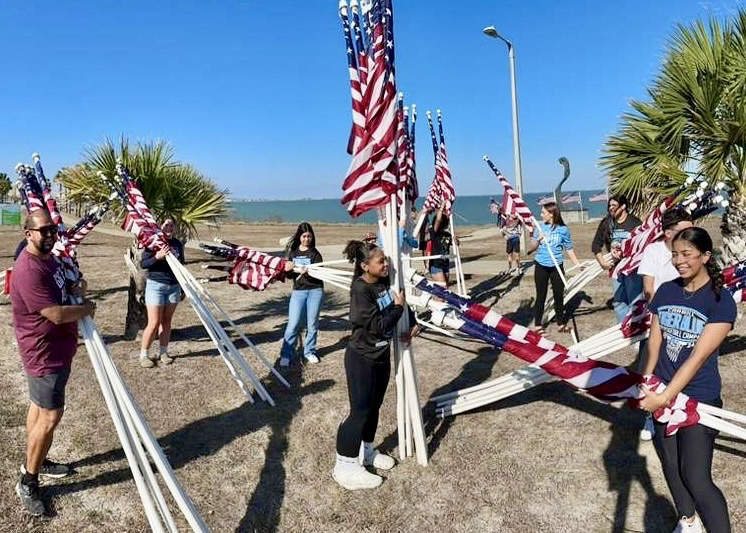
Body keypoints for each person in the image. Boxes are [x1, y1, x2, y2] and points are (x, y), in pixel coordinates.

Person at [640, 227, 736, 533]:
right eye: (674, 254)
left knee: (695, 476)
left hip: (698, 399)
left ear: (706, 256)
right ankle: (688, 521)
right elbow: (654, 343)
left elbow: (696, 359)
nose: (679, 261)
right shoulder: (666, 290)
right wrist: (645, 381)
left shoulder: (720, 301)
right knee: (671, 465)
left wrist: (665, 397)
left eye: (687, 254)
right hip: (661, 393)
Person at [10, 211, 96, 516]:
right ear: (28, 233)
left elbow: (65, 290)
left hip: (58, 348)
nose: (49, 235)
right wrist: (87, 308)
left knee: (38, 407)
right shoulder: (29, 269)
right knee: (50, 415)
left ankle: (37, 458)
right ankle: (28, 481)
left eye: (53, 230)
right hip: (43, 352)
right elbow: (55, 314)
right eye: (43, 230)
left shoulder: (50, 260)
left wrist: (76, 289)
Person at [332, 239, 419, 490]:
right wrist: (399, 310)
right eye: (380, 261)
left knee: (375, 408)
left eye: (385, 260)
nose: (385, 264)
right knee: (359, 412)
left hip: (381, 357)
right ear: (364, 266)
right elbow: (380, 327)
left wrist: (412, 321)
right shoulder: (360, 291)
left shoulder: (382, 284)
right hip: (362, 359)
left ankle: (367, 452)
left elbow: (398, 300)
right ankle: (345, 466)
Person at [527, 202, 582, 334]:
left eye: (543, 212)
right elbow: (532, 247)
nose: (541, 215)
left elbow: (569, 249)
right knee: (541, 295)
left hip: (557, 266)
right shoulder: (540, 228)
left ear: (551, 214)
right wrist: (538, 240)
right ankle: (538, 326)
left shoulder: (563, 230)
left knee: (559, 296)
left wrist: (578, 265)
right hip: (541, 265)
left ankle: (560, 324)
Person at [138, 218, 185, 368]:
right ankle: (144, 355)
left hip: (174, 287)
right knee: (153, 323)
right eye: (166, 224)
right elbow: (144, 264)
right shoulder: (153, 242)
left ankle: (163, 352)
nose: (169, 227)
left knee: (166, 321)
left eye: (172, 225)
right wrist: (158, 256)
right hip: (156, 285)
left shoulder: (177, 244)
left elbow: (181, 264)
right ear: (160, 227)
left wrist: (183, 287)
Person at [591, 195, 643, 322]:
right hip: (616, 269)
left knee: (635, 301)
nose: (610, 208)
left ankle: (636, 328)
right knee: (619, 301)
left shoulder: (635, 223)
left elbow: (642, 246)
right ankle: (622, 327)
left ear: (623, 206)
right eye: (609, 205)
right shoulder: (607, 223)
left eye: (614, 205)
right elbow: (596, 244)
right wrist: (602, 261)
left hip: (632, 269)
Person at [279, 222, 324, 366]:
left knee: (312, 324)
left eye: (309, 236)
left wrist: (310, 272)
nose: (307, 239)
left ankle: (309, 352)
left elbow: (320, 275)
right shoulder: (293, 253)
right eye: (304, 236)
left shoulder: (315, 254)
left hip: (315, 291)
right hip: (299, 291)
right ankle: (286, 354)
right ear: (299, 236)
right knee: (293, 324)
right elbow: (289, 276)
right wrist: (288, 270)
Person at [426, 203, 452, 288]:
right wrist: (441, 207)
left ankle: (441, 302)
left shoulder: (448, 235)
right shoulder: (434, 233)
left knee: (444, 290)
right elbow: (438, 220)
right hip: (436, 265)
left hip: (445, 264)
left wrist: (456, 240)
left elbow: (455, 244)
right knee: (444, 288)